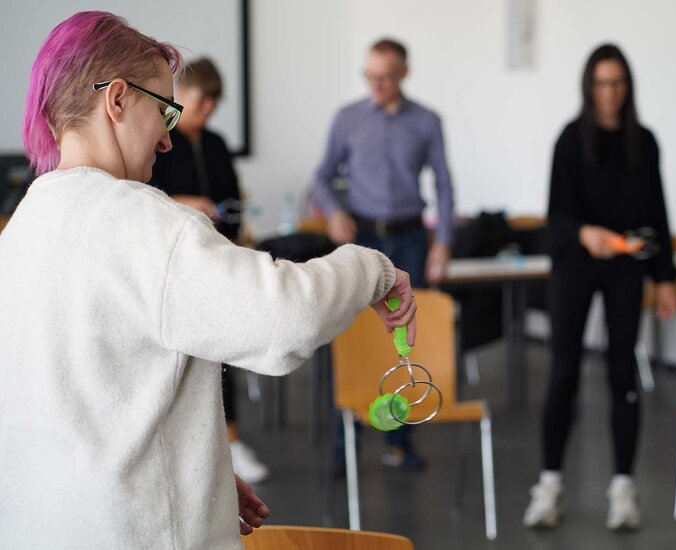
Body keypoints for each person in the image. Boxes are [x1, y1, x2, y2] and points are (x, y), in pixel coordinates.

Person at [1, 12, 416, 548]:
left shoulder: (21, 230)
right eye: (164, 111)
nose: (168, 140)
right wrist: (372, 267)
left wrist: (198, 474)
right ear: (118, 100)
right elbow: (286, 318)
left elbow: (75, 405)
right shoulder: (146, 225)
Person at [523, 44, 676, 532]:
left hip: (626, 270)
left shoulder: (644, 142)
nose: (609, 93)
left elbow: (657, 213)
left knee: (621, 377)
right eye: (600, 83)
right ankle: (549, 485)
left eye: (617, 83)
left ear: (627, 88)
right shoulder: (571, 140)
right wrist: (584, 234)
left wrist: (666, 277)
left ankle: (623, 489)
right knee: (564, 371)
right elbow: (556, 217)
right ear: (588, 88)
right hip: (575, 265)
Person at [313, 37, 454, 469]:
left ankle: (401, 442)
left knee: (406, 344)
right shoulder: (348, 118)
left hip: (411, 239)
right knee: (351, 336)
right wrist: (333, 211)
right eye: (370, 76)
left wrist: (444, 242)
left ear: (404, 74)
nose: (377, 84)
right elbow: (321, 177)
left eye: (386, 77)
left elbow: (445, 186)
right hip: (361, 241)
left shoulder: (427, 121)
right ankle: (345, 445)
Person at [149, 57, 268, 484]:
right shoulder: (159, 140)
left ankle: (231, 442)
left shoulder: (216, 144)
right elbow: (146, 199)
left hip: (218, 262)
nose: (208, 109)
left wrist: (229, 229)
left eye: (215, 101)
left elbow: (232, 201)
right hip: (175, 265)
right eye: (202, 99)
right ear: (183, 94)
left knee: (223, 354)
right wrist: (185, 203)